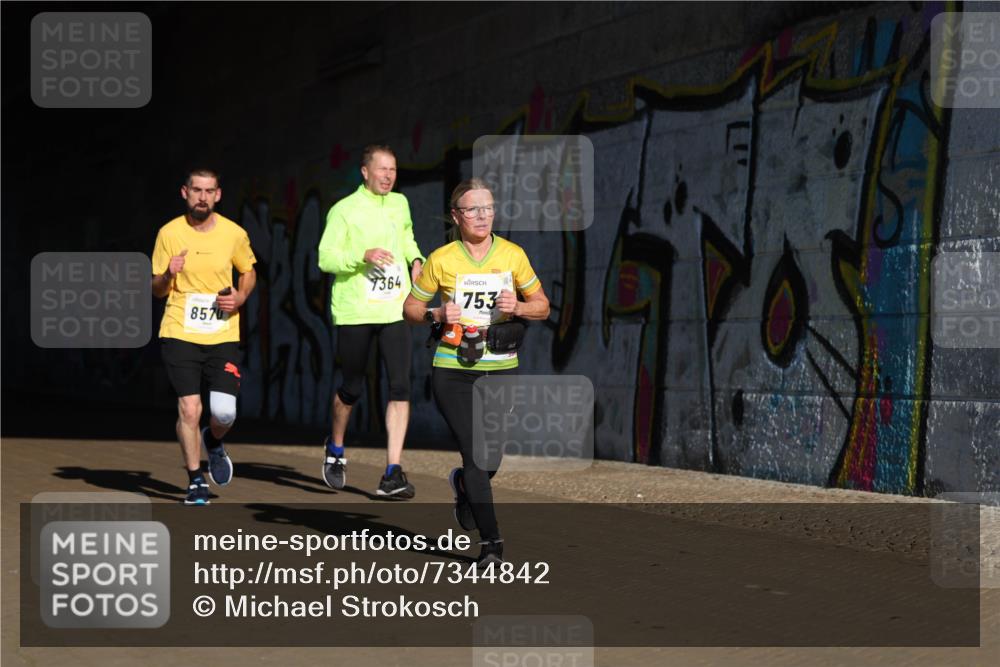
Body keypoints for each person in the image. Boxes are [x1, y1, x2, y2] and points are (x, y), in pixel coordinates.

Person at [403, 178, 550, 567]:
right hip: (453, 367)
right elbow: (410, 309)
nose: (483, 216)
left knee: (491, 458)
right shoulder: (441, 259)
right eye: (473, 209)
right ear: (457, 216)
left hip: (500, 366)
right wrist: (436, 313)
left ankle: (466, 485)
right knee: (475, 451)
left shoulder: (513, 255)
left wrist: (518, 307)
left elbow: (543, 306)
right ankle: (491, 544)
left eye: (488, 208)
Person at [318, 144, 425, 497]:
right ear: (365, 172)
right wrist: (361, 255)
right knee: (352, 387)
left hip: (394, 308)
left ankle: (393, 472)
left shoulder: (400, 203)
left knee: (400, 386)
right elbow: (326, 258)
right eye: (382, 169)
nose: (388, 176)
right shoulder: (343, 210)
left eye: (393, 169)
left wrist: (416, 259)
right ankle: (335, 447)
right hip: (357, 311)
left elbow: (406, 237)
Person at [151, 168, 257, 505]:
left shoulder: (234, 233)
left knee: (224, 413)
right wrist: (168, 274)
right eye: (196, 190)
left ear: (218, 195)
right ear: (185, 192)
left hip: (222, 332)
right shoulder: (168, 233)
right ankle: (195, 479)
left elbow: (248, 271)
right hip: (179, 331)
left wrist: (241, 297)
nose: (202, 197)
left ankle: (213, 439)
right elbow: (156, 290)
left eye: (209, 191)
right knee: (189, 408)